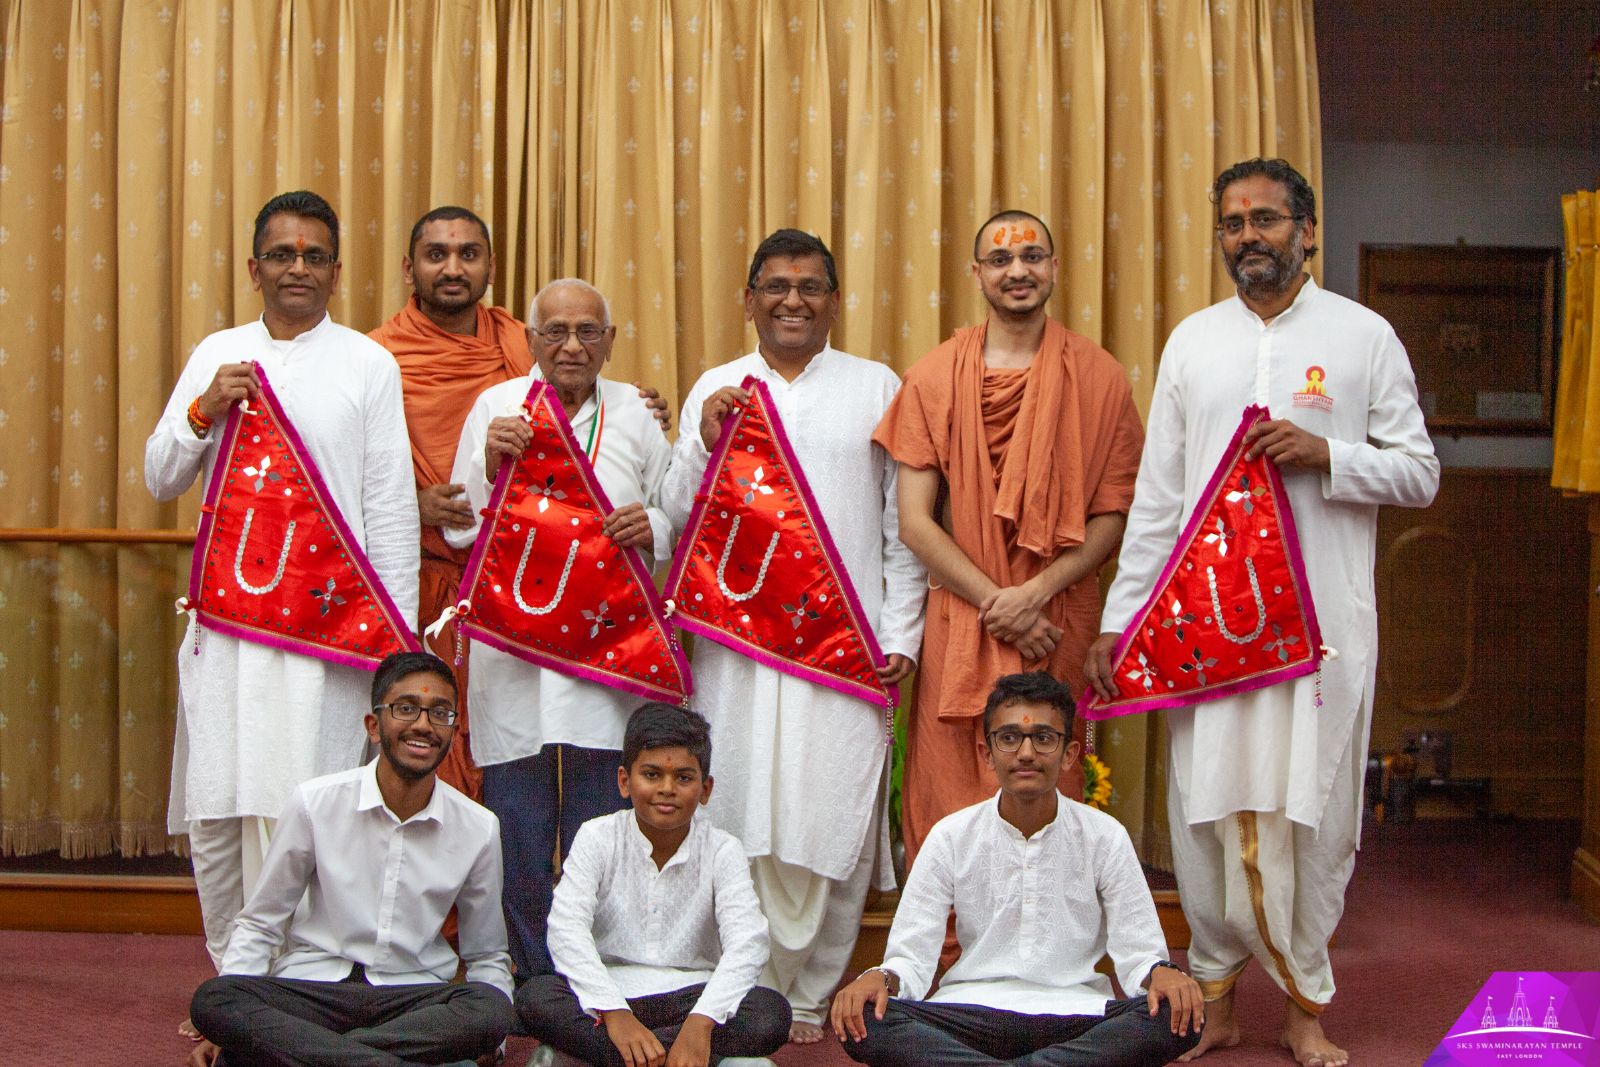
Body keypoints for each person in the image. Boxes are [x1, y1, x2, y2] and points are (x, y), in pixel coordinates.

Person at [1086, 158, 1439, 1067]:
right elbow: (1160, 499)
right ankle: (1216, 1000)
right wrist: (1122, 619)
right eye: (1233, 223)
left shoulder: (1364, 336)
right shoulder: (1193, 342)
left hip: (1321, 636)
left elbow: (1421, 473)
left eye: (1267, 219)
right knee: (1205, 808)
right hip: (1207, 632)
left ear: (1306, 230)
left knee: (1312, 815)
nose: (1249, 236)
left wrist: (1333, 456)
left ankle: (1305, 1005)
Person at [145, 191, 419, 1017]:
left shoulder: (367, 363)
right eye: (282, 254)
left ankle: (304, 987)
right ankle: (235, 982)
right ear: (254, 266)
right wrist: (204, 410)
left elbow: (389, 508)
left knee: (310, 804)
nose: (297, 268)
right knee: (221, 807)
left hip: (327, 642)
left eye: (314, 256)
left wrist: (400, 648)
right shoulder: (219, 352)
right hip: (229, 635)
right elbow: (159, 475)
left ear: (335, 271)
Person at [661, 229, 927, 1042]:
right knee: (740, 801)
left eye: (811, 287)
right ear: (748, 299)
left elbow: (900, 524)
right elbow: (675, 519)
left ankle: (810, 991)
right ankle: (741, 983)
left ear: (835, 301)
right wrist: (703, 441)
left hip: (843, 649)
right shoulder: (717, 386)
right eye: (776, 286)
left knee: (830, 806)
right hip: (736, 652)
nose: (793, 301)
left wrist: (901, 630)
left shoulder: (876, 385)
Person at [873, 210, 1145, 866]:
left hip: (1056, 620)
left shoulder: (1100, 377)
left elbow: (1113, 514)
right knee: (949, 798)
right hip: (963, 617)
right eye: (1000, 259)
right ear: (976, 273)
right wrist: (1001, 603)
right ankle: (949, 930)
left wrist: (1034, 595)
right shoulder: (934, 376)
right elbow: (914, 521)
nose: (1017, 270)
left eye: (1032, 256)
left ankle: (1049, 927)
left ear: (1054, 267)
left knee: (1049, 789)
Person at [444, 278, 674, 979]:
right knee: (517, 827)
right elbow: (459, 531)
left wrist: (652, 526)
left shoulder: (636, 412)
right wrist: (488, 465)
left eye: (587, 332)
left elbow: (674, 511)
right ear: (531, 340)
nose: (572, 346)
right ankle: (530, 974)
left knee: (600, 827)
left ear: (609, 341)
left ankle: (594, 970)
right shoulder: (495, 408)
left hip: (607, 657)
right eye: (556, 332)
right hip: (516, 655)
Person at [830, 672, 1203, 1067]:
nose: (1026, 753)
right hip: (968, 1013)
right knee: (866, 1018)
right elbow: (910, 957)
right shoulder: (951, 836)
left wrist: (1162, 971)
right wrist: (879, 977)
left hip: (1077, 1014)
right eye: (1009, 738)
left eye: (1043, 738)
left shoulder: (1104, 836)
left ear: (1069, 753)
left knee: (1178, 1017)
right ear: (987, 753)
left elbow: (1141, 953)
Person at [187, 651, 516, 1067]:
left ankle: (310, 1055)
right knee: (215, 998)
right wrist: (223, 1027)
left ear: (451, 731)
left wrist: (493, 1040)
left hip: (411, 999)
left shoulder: (478, 826)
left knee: (491, 1009)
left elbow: (487, 955)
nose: (423, 725)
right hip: (314, 990)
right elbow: (261, 924)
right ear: (374, 726)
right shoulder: (315, 803)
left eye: (439, 713)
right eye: (406, 708)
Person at [517, 703, 790, 1067]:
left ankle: (614, 1056)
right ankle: (680, 1057)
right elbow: (567, 930)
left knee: (771, 1014)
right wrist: (615, 1014)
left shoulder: (723, 849)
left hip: (691, 998)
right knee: (535, 997)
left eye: (683, 778)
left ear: (705, 789)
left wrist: (701, 1022)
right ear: (624, 781)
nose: (666, 789)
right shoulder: (597, 837)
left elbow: (747, 943)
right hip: (608, 994)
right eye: (651, 774)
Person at [369, 206, 535, 801]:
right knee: (427, 740)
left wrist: (632, 406)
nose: (453, 268)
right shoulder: (375, 357)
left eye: (468, 254)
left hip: (518, 590)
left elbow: (576, 426)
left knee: (512, 755)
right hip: (420, 585)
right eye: (436, 254)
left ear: (490, 265)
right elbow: (334, 477)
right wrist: (410, 505)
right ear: (409, 268)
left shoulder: (526, 344)